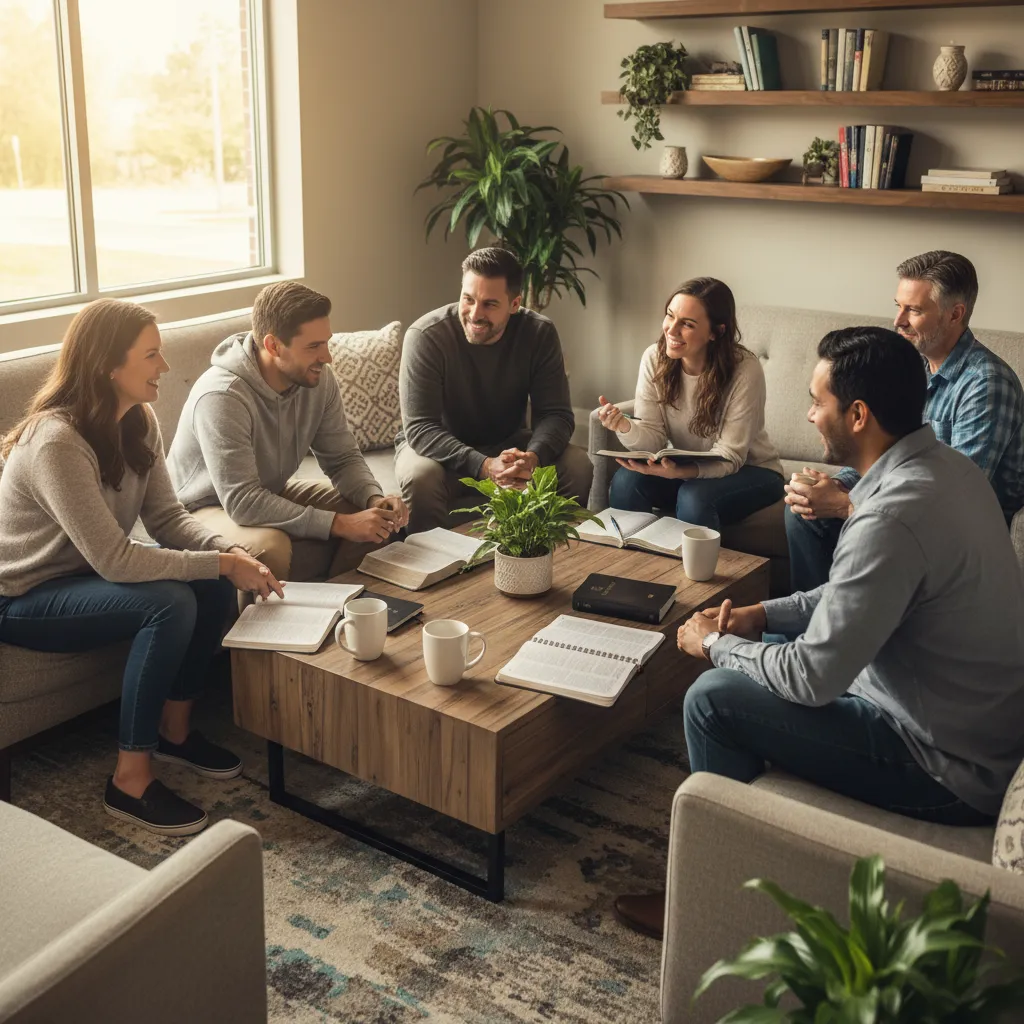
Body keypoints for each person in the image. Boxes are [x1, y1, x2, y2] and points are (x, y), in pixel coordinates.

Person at [614, 325, 1024, 939]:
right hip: (972, 727)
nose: (808, 415)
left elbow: (812, 679)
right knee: (764, 653)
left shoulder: (887, 518)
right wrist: (763, 616)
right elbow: (859, 595)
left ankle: (708, 899)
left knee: (710, 697)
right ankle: (757, 841)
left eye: (816, 402)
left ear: (857, 415)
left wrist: (718, 646)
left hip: (943, 766)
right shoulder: (948, 472)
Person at [0, 300, 284, 836]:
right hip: (22, 595)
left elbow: (165, 517)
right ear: (110, 364)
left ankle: (176, 734)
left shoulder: (139, 418)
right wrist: (219, 561)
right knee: (171, 600)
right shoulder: (56, 441)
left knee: (212, 584)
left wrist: (228, 556)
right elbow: (115, 558)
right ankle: (129, 780)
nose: (165, 368)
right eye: (151, 355)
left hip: (82, 575)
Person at [785, 250, 1024, 592]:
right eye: (898, 305)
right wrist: (836, 485)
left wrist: (844, 503)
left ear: (955, 314)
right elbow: (884, 451)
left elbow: (956, 501)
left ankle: (836, 632)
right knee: (804, 509)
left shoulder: (986, 384)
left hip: (959, 528)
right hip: (908, 498)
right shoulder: (912, 368)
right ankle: (817, 627)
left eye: (913, 310)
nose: (897, 320)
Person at [167, 281, 408, 582]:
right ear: (273, 346)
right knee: (271, 548)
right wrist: (341, 524)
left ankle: (342, 607)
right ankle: (265, 629)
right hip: (202, 507)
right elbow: (242, 501)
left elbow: (342, 458)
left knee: (377, 520)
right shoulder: (223, 397)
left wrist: (374, 499)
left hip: (266, 489)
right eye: (313, 347)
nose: (327, 357)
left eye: (326, 343)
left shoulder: (318, 379)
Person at [395, 247, 594, 534]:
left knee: (577, 464)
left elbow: (556, 414)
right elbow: (420, 429)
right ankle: (433, 566)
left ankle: (553, 557)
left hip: (508, 442)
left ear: (514, 304)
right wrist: (486, 466)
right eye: (468, 299)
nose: (475, 314)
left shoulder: (539, 333)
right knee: (421, 476)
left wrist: (533, 458)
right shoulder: (426, 337)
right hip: (434, 450)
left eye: (489, 304)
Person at [598, 278, 784, 530]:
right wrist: (624, 426)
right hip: (687, 468)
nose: (671, 330)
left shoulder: (745, 369)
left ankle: (694, 570)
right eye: (670, 316)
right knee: (625, 481)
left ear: (716, 332)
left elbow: (731, 456)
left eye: (687, 324)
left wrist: (679, 474)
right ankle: (627, 567)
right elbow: (653, 440)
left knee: (694, 497)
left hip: (753, 471)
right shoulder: (654, 357)